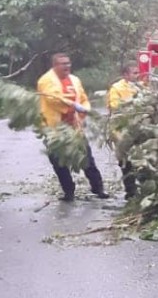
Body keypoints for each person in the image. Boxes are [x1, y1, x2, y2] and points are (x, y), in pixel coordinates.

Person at [37, 53, 109, 202]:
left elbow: (83, 98)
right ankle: (69, 191)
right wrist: (71, 105)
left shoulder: (75, 80)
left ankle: (98, 188)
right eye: (63, 64)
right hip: (55, 130)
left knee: (86, 159)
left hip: (75, 127)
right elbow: (52, 99)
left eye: (68, 63)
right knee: (59, 163)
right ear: (55, 66)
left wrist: (85, 109)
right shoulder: (46, 80)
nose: (67, 66)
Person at [106, 62, 141, 199]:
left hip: (136, 128)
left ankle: (140, 188)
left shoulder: (140, 87)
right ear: (125, 75)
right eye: (134, 73)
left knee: (139, 159)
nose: (137, 76)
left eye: (137, 72)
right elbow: (115, 107)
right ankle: (130, 192)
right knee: (126, 161)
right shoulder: (116, 88)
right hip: (120, 130)